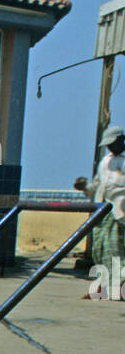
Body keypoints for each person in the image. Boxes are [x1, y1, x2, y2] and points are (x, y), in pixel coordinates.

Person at [74, 125, 125, 300]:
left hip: (121, 212)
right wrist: (84, 188)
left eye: (113, 143)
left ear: (121, 140)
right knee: (99, 250)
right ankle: (102, 287)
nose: (110, 147)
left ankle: (118, 288)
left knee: (115, 251)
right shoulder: (105, 162)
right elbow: (96, 185)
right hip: (103, 212)